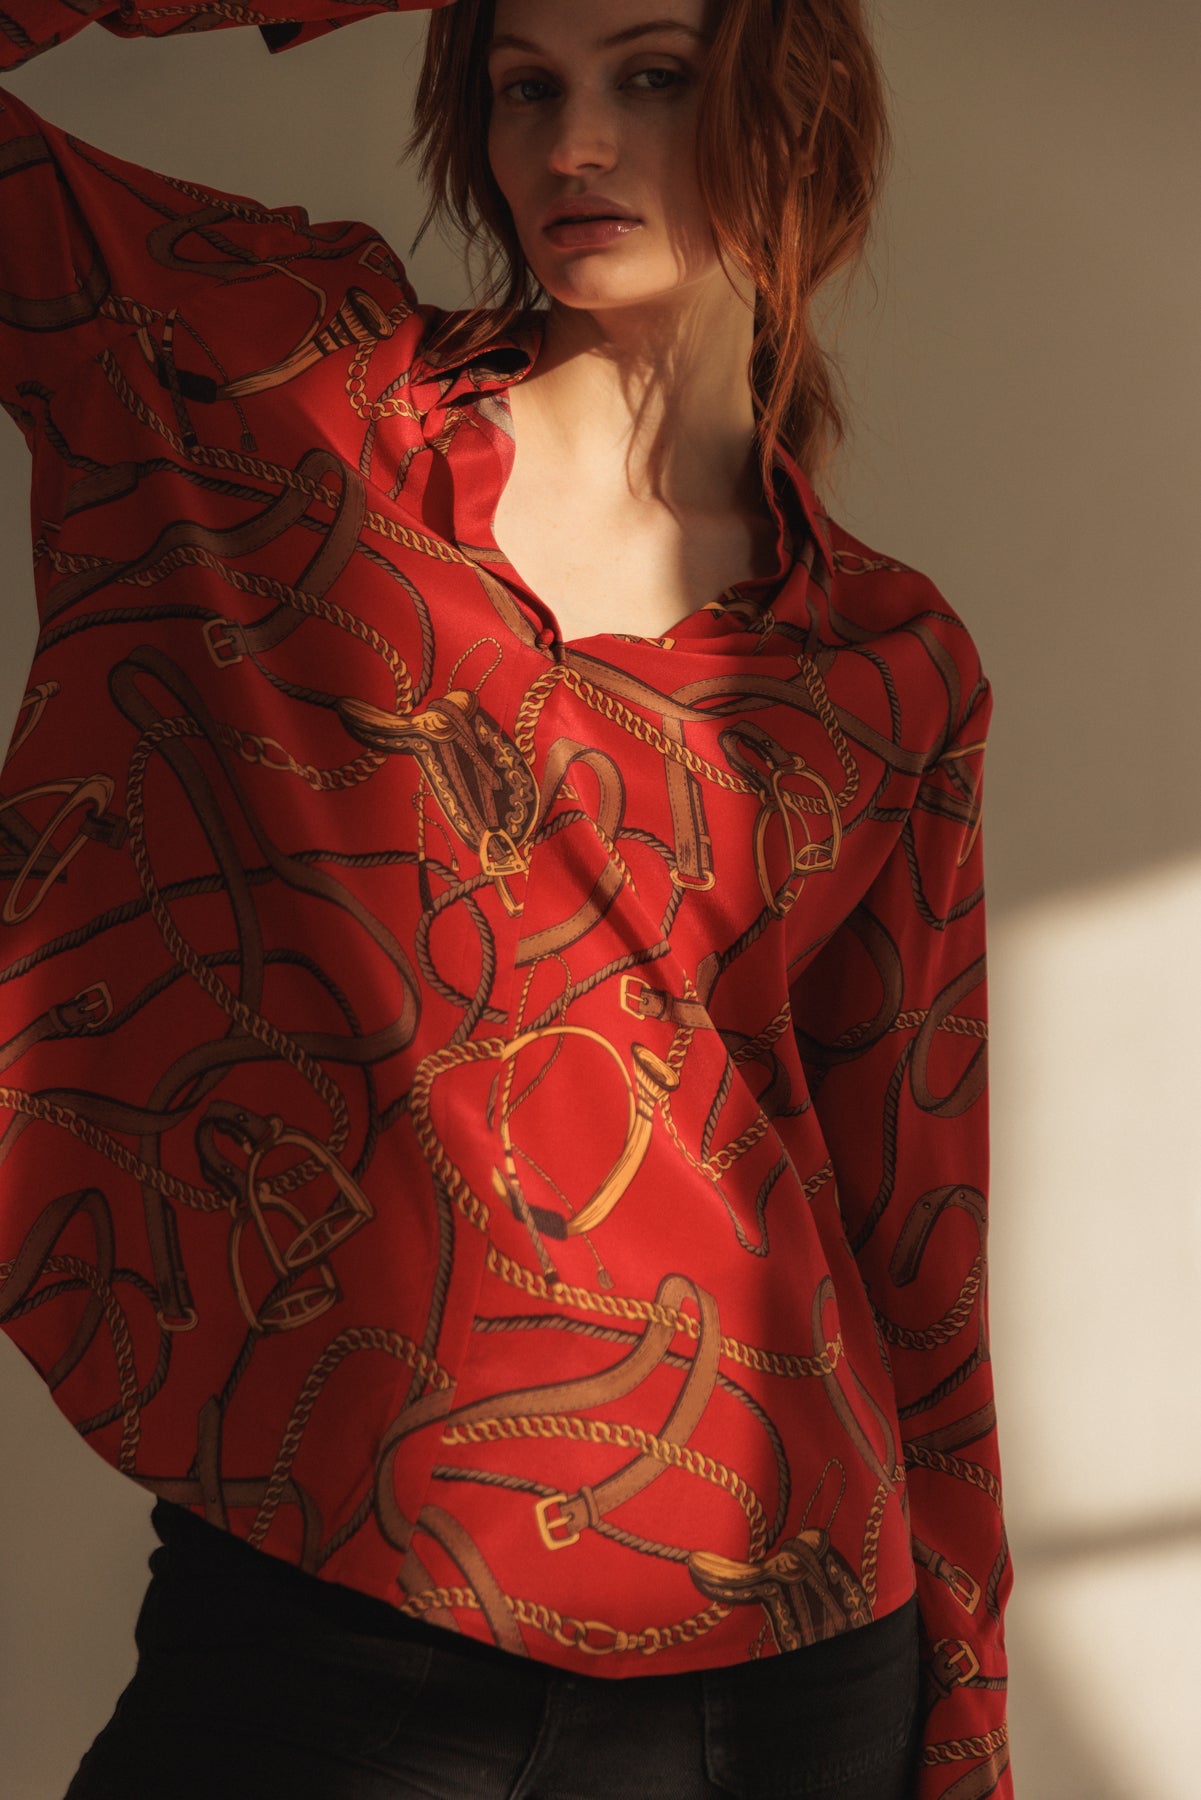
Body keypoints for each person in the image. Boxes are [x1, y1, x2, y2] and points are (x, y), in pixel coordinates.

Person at [0, 1, 1011, 1795]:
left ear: (797, 113)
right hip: (336, 1600)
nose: (573, 146)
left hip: (786, 1654)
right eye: (523, 86)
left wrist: (967, 1726)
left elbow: (908, 1233)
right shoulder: (285, 397)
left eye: (652, 78)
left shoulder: (890, 661)